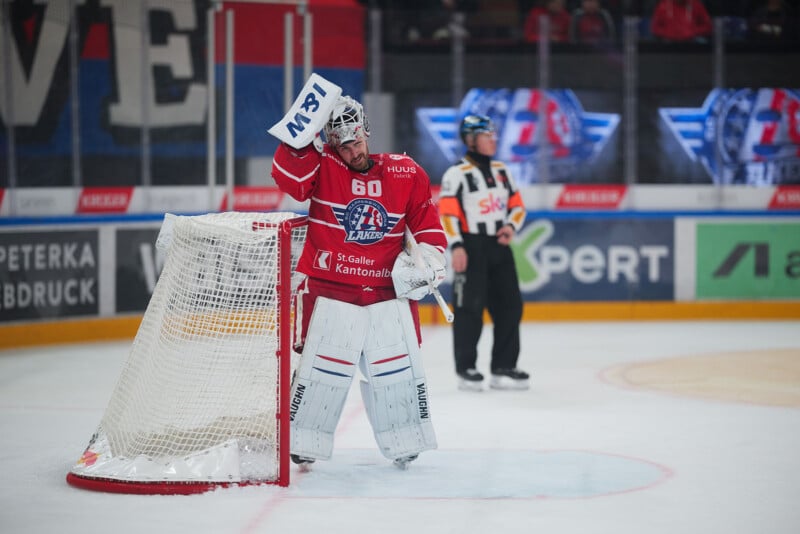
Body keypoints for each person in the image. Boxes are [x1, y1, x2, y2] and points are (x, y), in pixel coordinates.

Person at [271, 95, 448, 470]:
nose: (354, 151)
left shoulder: (406, 172)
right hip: (330, 290)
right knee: (321, 373)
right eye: (345, 146)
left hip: (386, 294)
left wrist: (430, 261)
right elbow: (292, 179)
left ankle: (404, 438)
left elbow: (427, 226)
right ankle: (303, 440)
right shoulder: (322, 166)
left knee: (396, 371)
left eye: (357, 142)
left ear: (367, 132)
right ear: (333, 143)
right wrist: (298, 137)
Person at [438, 114, 529, 392]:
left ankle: (503, 367)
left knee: (511, 306)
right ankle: (466, 369)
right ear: (471, 139)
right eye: (487, 135)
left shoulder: (503, 170)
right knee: (469, 309)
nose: (494, 140)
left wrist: (511, 227)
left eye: (493, 135)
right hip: (471, 246)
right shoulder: (457, 173)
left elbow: (517, 205)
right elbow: (448, 213)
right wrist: (456, 245)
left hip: (499, 246)